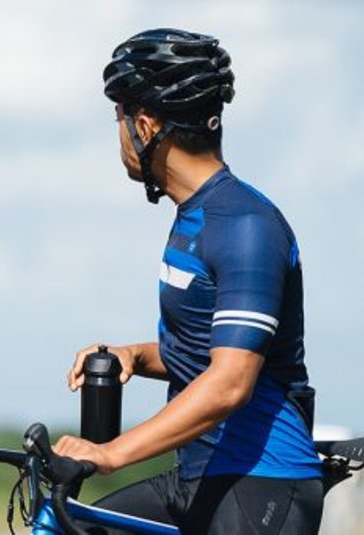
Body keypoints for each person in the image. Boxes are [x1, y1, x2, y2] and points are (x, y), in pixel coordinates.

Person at [55, 29, 323, 533]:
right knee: (71, 525)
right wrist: (134, 354)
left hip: (260, 483)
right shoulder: (197, 216)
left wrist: (111, 453)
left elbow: (230, 383)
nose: (118, 136)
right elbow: (209, 351)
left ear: (145, 125)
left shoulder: (245, 225)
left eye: (118, 120)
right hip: (200, 475)